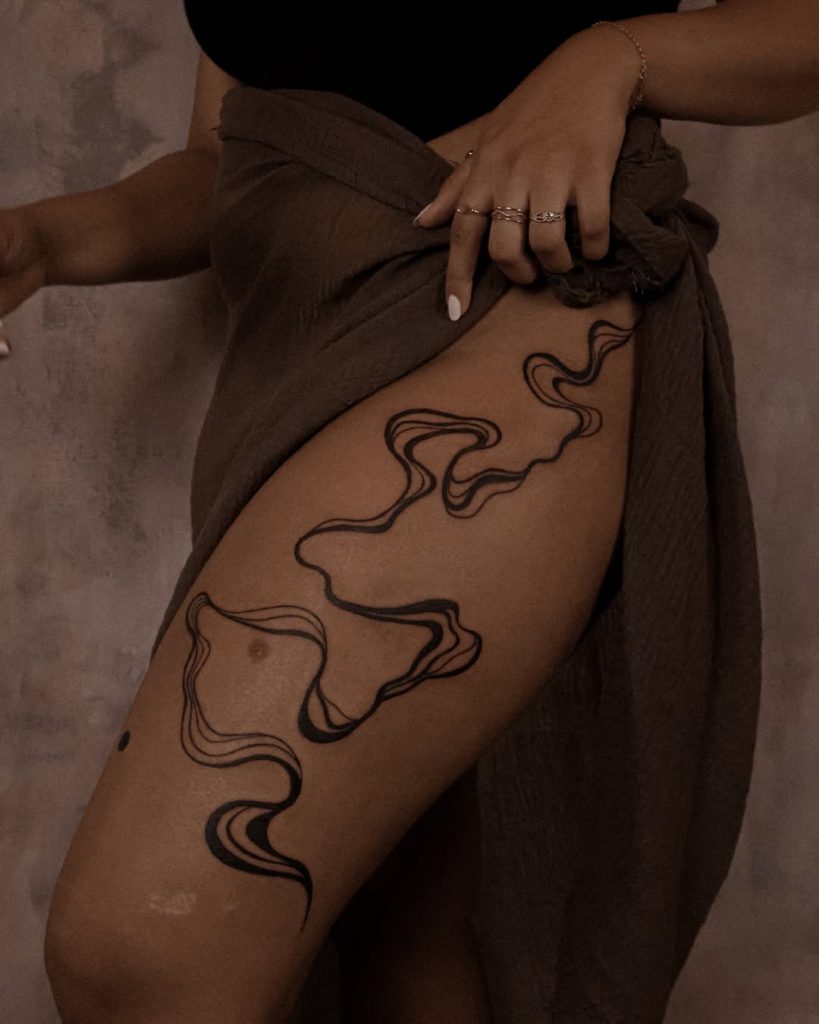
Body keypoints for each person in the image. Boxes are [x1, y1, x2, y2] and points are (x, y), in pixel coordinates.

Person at [1, 2, 817, 1022]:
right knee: (401, 941)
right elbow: (226, 155)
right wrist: (46, 240)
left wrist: (616, 60)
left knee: (141, 954)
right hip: (293, 356)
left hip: (508, 305)